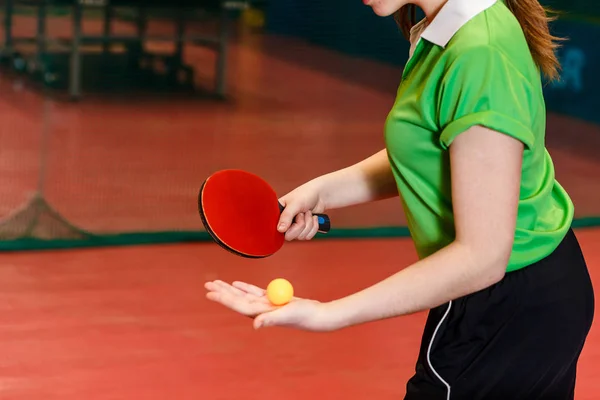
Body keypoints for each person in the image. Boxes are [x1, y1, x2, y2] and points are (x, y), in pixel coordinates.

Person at [205, 0, 595, 398]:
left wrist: (328, 313)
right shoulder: (440, 27)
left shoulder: (480, 54)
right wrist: (324, 190)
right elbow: (431, 150)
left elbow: (483, 257)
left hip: (508, 309)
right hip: (510, 294)